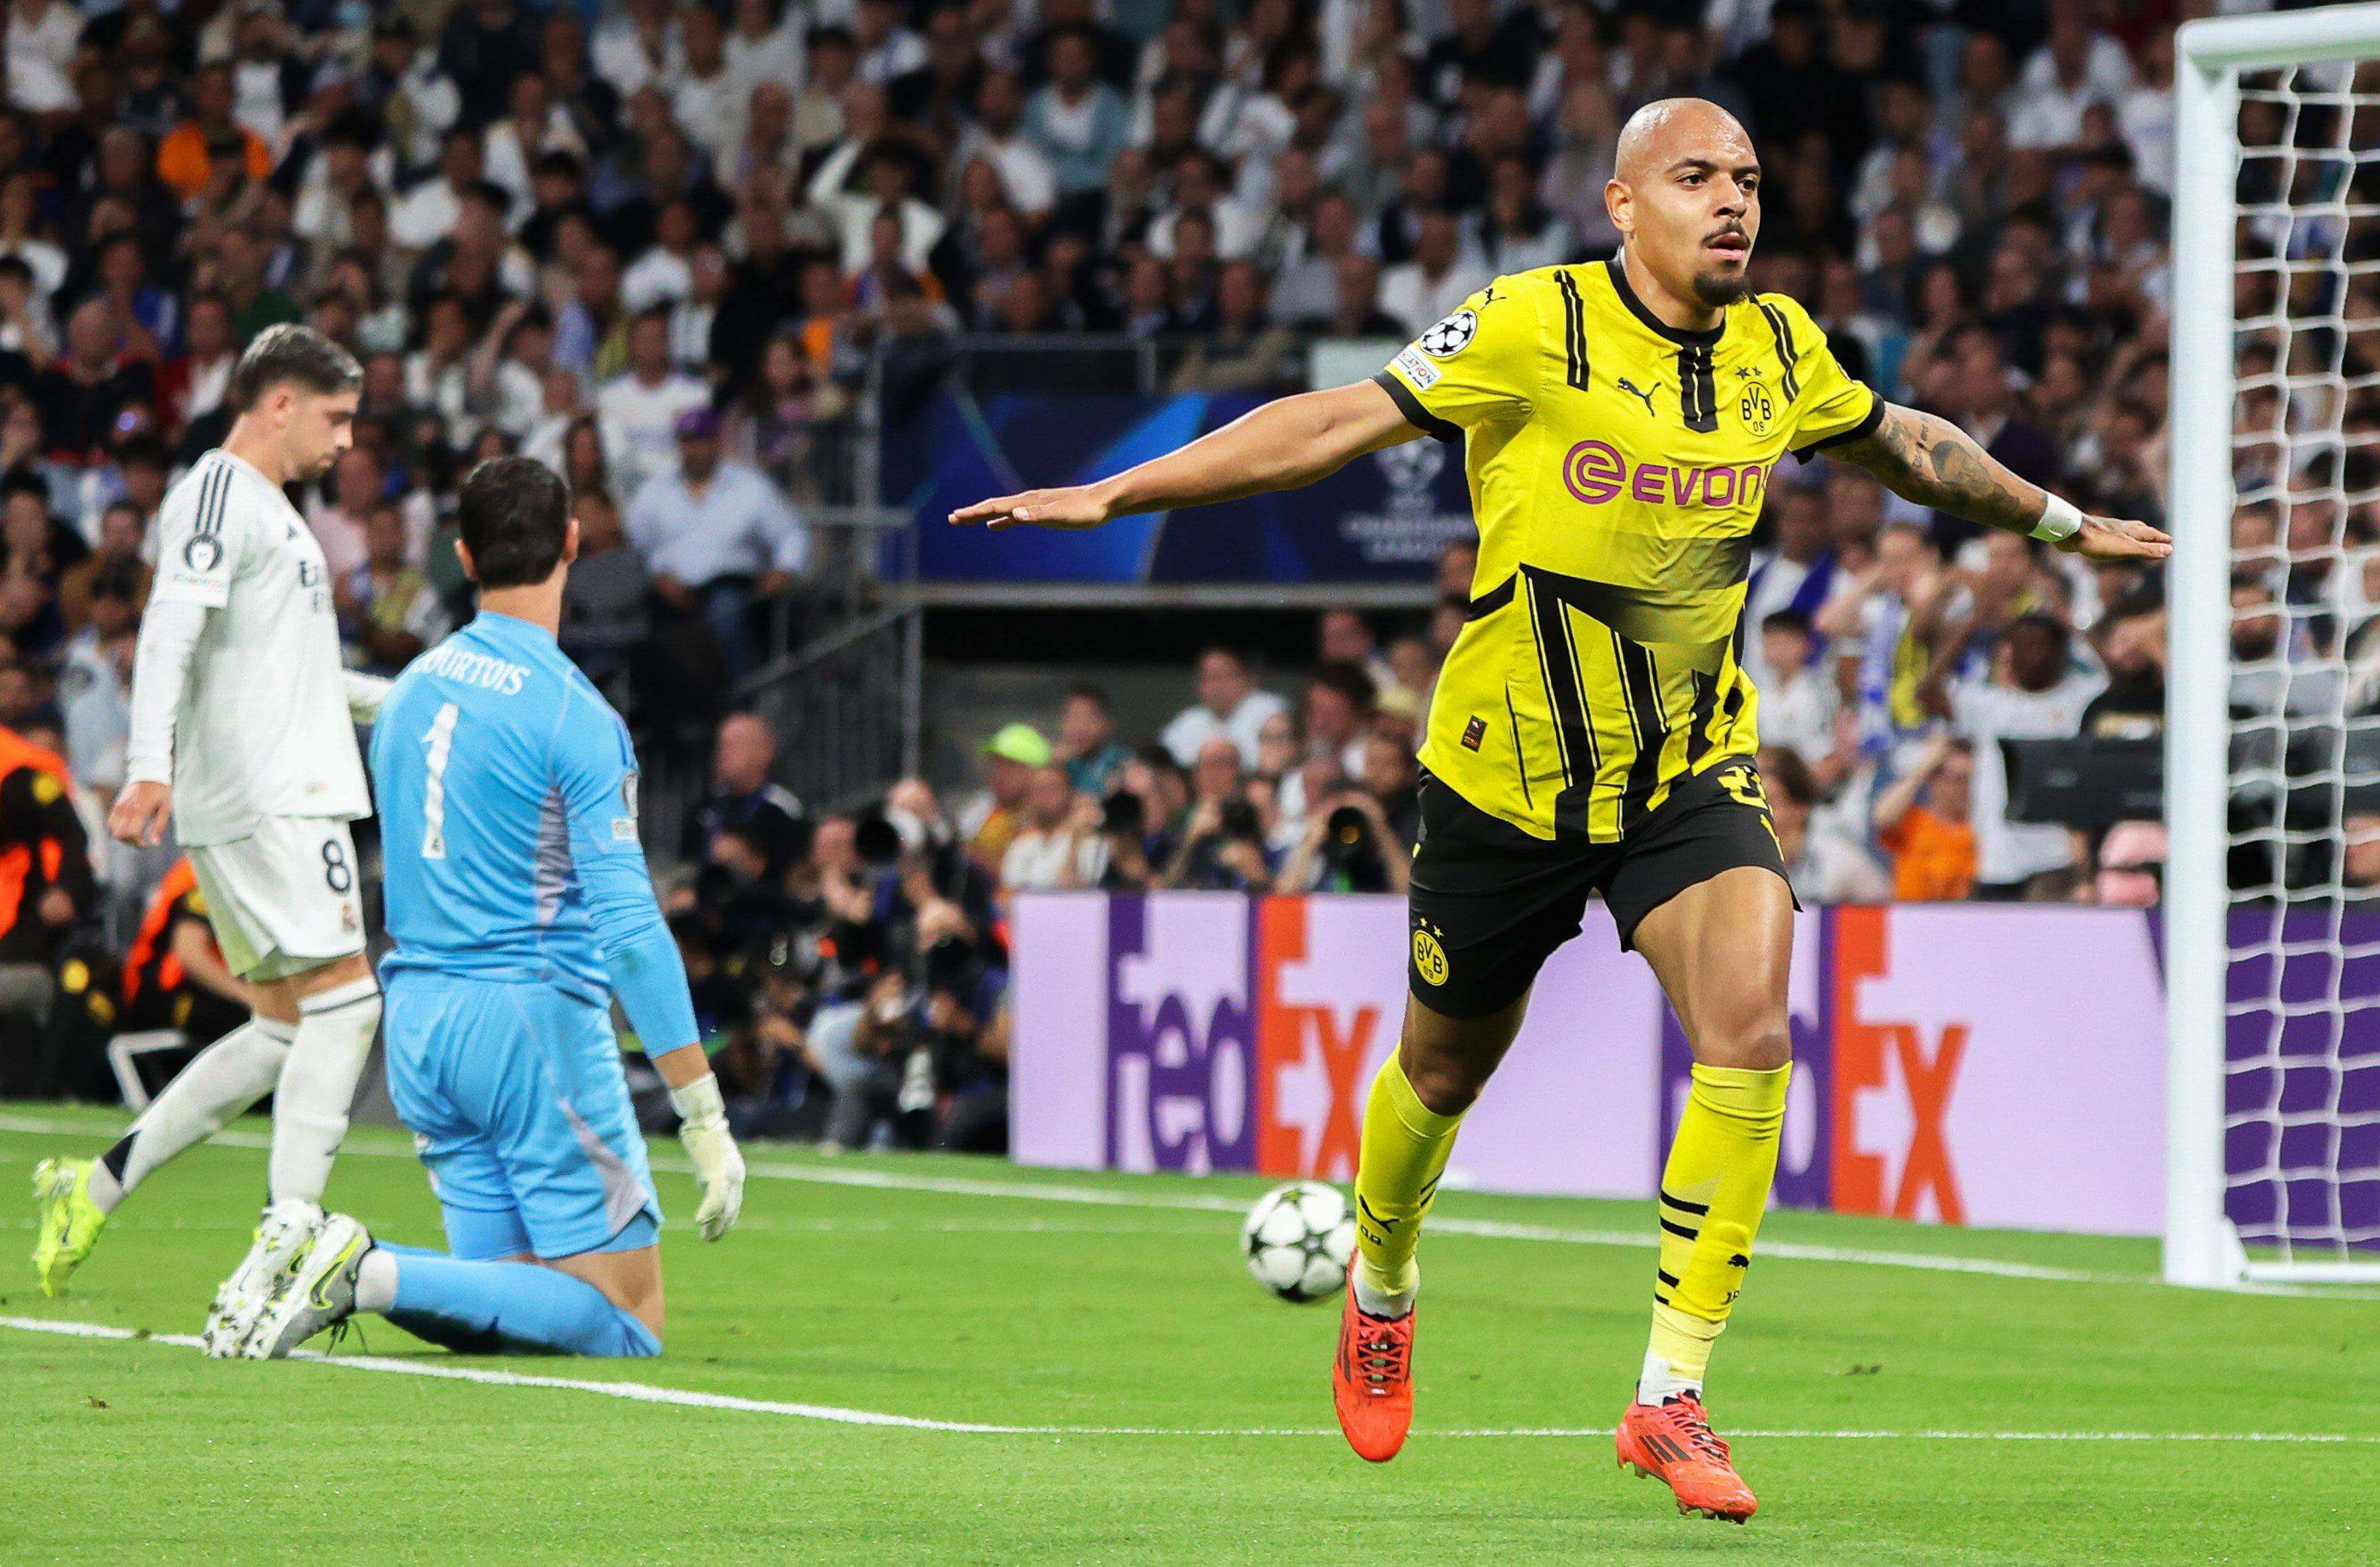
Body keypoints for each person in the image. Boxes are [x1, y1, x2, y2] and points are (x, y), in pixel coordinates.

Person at [949, 98, 2168, 1523]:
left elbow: (1903, 442)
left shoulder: (1779, 347)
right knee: (1440, 1073)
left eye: (1747, 177)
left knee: (1751, 1029)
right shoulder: (1532, 323)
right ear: (1622, 204)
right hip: (1505, 778)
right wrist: (1118, 493)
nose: (1732, 200)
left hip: (1685, 772)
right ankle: (1382, 1277)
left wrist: (2054, 522)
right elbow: (1332, 422)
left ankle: (1668, 1393)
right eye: (1696, 176)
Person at [243, 455, 747, 1359]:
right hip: (528, 1026)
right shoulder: (574, 716)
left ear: (465, 557)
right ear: (572, 544)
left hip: (421, 1024)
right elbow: (632, 934)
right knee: (626, 1321)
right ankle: (364, 1270)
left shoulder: (412, 693)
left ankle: (355, 1269)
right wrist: (702, 1112)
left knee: (507, 1317)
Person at [31, 328, 396, 1355]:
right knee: (351, 1003)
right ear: (278, 403)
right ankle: (286, 1237)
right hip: (273, 796)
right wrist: (149, 764)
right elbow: (168, 630)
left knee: (285, 1026)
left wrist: (410, 697)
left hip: (267, 787)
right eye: (335, 417)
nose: (346, 440)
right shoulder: (218, 491)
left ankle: (95, 1183)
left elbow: (297, 676)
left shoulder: (266, 508)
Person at [683, 711, 809, 879]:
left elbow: (795, 875)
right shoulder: (704, 809)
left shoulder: (783, 810)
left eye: (734, 746)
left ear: (764, 751)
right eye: (721, 746)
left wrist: (748, 861)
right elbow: (685, 866)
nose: (723, 754)